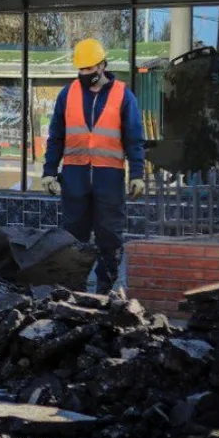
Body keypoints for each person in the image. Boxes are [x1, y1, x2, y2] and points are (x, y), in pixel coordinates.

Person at [40, 39, 146, 294]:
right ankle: (73, 288)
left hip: (108, 177)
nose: (84, 74)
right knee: (73, 236)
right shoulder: (68, 94)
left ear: (102, 66)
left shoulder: (123, 95)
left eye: (89, 69)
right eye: (81, 69)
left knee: (109, 235)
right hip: (75, 176)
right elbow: (56, 136)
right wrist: (49, 171)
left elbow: (134, 137)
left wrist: (138, 173)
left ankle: (105, 288)